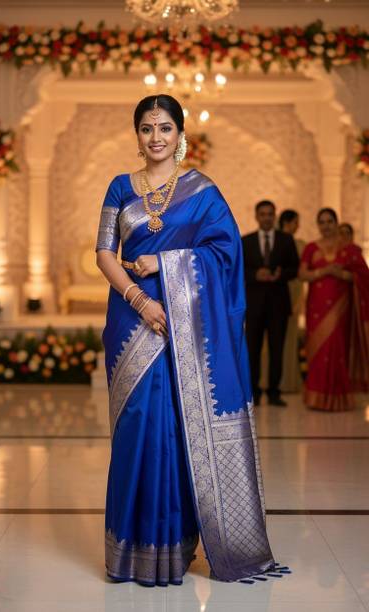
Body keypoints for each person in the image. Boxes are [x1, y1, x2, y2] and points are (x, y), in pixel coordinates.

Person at [96, 95, 276, 586]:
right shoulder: (119, 187)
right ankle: (128, 552)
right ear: (137, 135)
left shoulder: (202, 191)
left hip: (187, 324)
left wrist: (165, 261)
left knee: (176, 430)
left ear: (180, 135)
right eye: (146, 128)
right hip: (132, 320)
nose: (155, 137)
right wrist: (140, 299)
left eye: (165, 128)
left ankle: (172, 548)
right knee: (136, 426)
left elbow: (225, 253)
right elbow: (104, 253)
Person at [299, 208, 369, 411]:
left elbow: (364, 277)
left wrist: (344, 275)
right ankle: (316, 398)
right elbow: (302, 274)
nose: (326, 226)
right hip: (316, 308)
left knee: (337, 349)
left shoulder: (350, 249)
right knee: (318, 350)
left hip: (341, 309)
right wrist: (325, 271)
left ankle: (339, 398)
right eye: (322, 222)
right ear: (318, 225)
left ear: (336, 223)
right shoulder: (311, 248)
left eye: (330, 221)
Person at [242, 201, 300, 407]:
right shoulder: (246, 241)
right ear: (257, 216)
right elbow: (238, 270)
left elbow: (295, 268)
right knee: (252, 350)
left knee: (277, 350)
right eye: (263, 214)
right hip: (254, 305)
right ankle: (254, 393)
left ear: (274, 216)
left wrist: (280, 274)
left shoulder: (286, 239)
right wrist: (255, 274)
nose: (266, 217)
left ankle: (274, 393)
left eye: (270, 214)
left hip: (278, 304)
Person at [278, 210, 306, 393]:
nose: (298, 226)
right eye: (296, 222)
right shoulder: (278, 242)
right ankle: (277, 379)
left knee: (290, 337)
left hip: (295, 292)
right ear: (287, 222)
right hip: (281, 292)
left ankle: (288, 380)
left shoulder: (301, 244)